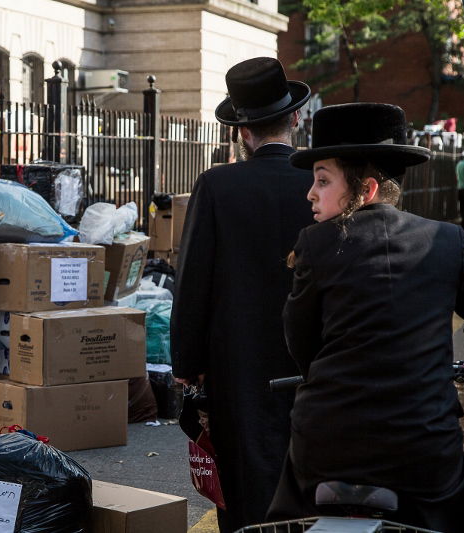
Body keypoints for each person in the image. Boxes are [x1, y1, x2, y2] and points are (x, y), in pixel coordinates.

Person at [267, 103, 464, 532]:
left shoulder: (315, 245)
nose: (310, 193)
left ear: (366, 189)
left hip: (326, 448)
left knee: (286, 519)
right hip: (424, 455)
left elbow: (302, 349)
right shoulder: (446, 241)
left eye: (322, 180)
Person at [170, 56, 314, 531]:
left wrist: (186, 366)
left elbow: (193, 280)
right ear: (294, 118)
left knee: (245, 474)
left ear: (240, 132)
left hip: (236, 357)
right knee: (308, 461)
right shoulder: (320, 184)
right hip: (311, 351)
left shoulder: (216, 184)